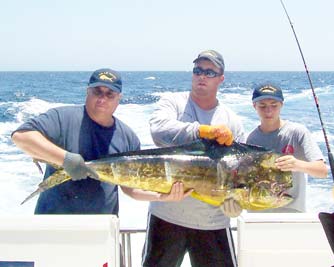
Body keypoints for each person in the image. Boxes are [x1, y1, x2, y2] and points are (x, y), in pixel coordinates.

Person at [125, 50, 245, 267]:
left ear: (221, 78)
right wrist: (201, 131)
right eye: (198, 70)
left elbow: (241, 171)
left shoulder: (232, 121)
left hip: (213, 223)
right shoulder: (173, 102)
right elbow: (159, 131)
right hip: (166, 217)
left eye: (209, 72)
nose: (202, 76)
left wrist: (238, 202)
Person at [11, 68, 140, 214]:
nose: (102, 99)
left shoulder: (129, 138)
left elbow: (131, 188)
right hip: (52, 224)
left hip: (102, 227)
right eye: (97, 91)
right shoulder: (61, 118)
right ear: (87, 91)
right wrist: (66, 159)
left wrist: (166, 196)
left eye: (110, 94)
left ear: (119, 97)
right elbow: (21, 136)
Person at [246, 84, 328, 213]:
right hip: (259, 212)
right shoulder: (251, 139)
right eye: (262, 106)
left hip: (291, 212)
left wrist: (297, 165)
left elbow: (322, 171)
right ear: (254, 106)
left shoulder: (298, 132)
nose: (268, 111)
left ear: (282, 105)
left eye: (274, 105)